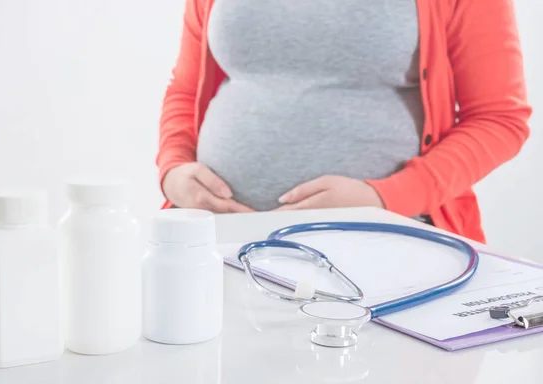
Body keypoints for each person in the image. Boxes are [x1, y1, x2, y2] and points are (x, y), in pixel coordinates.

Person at [156, 0, 532, 243]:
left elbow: (499, 118)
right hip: (217, 242)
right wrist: (173, 171)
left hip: (383, 247)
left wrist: (385, 198)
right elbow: (187, 89)